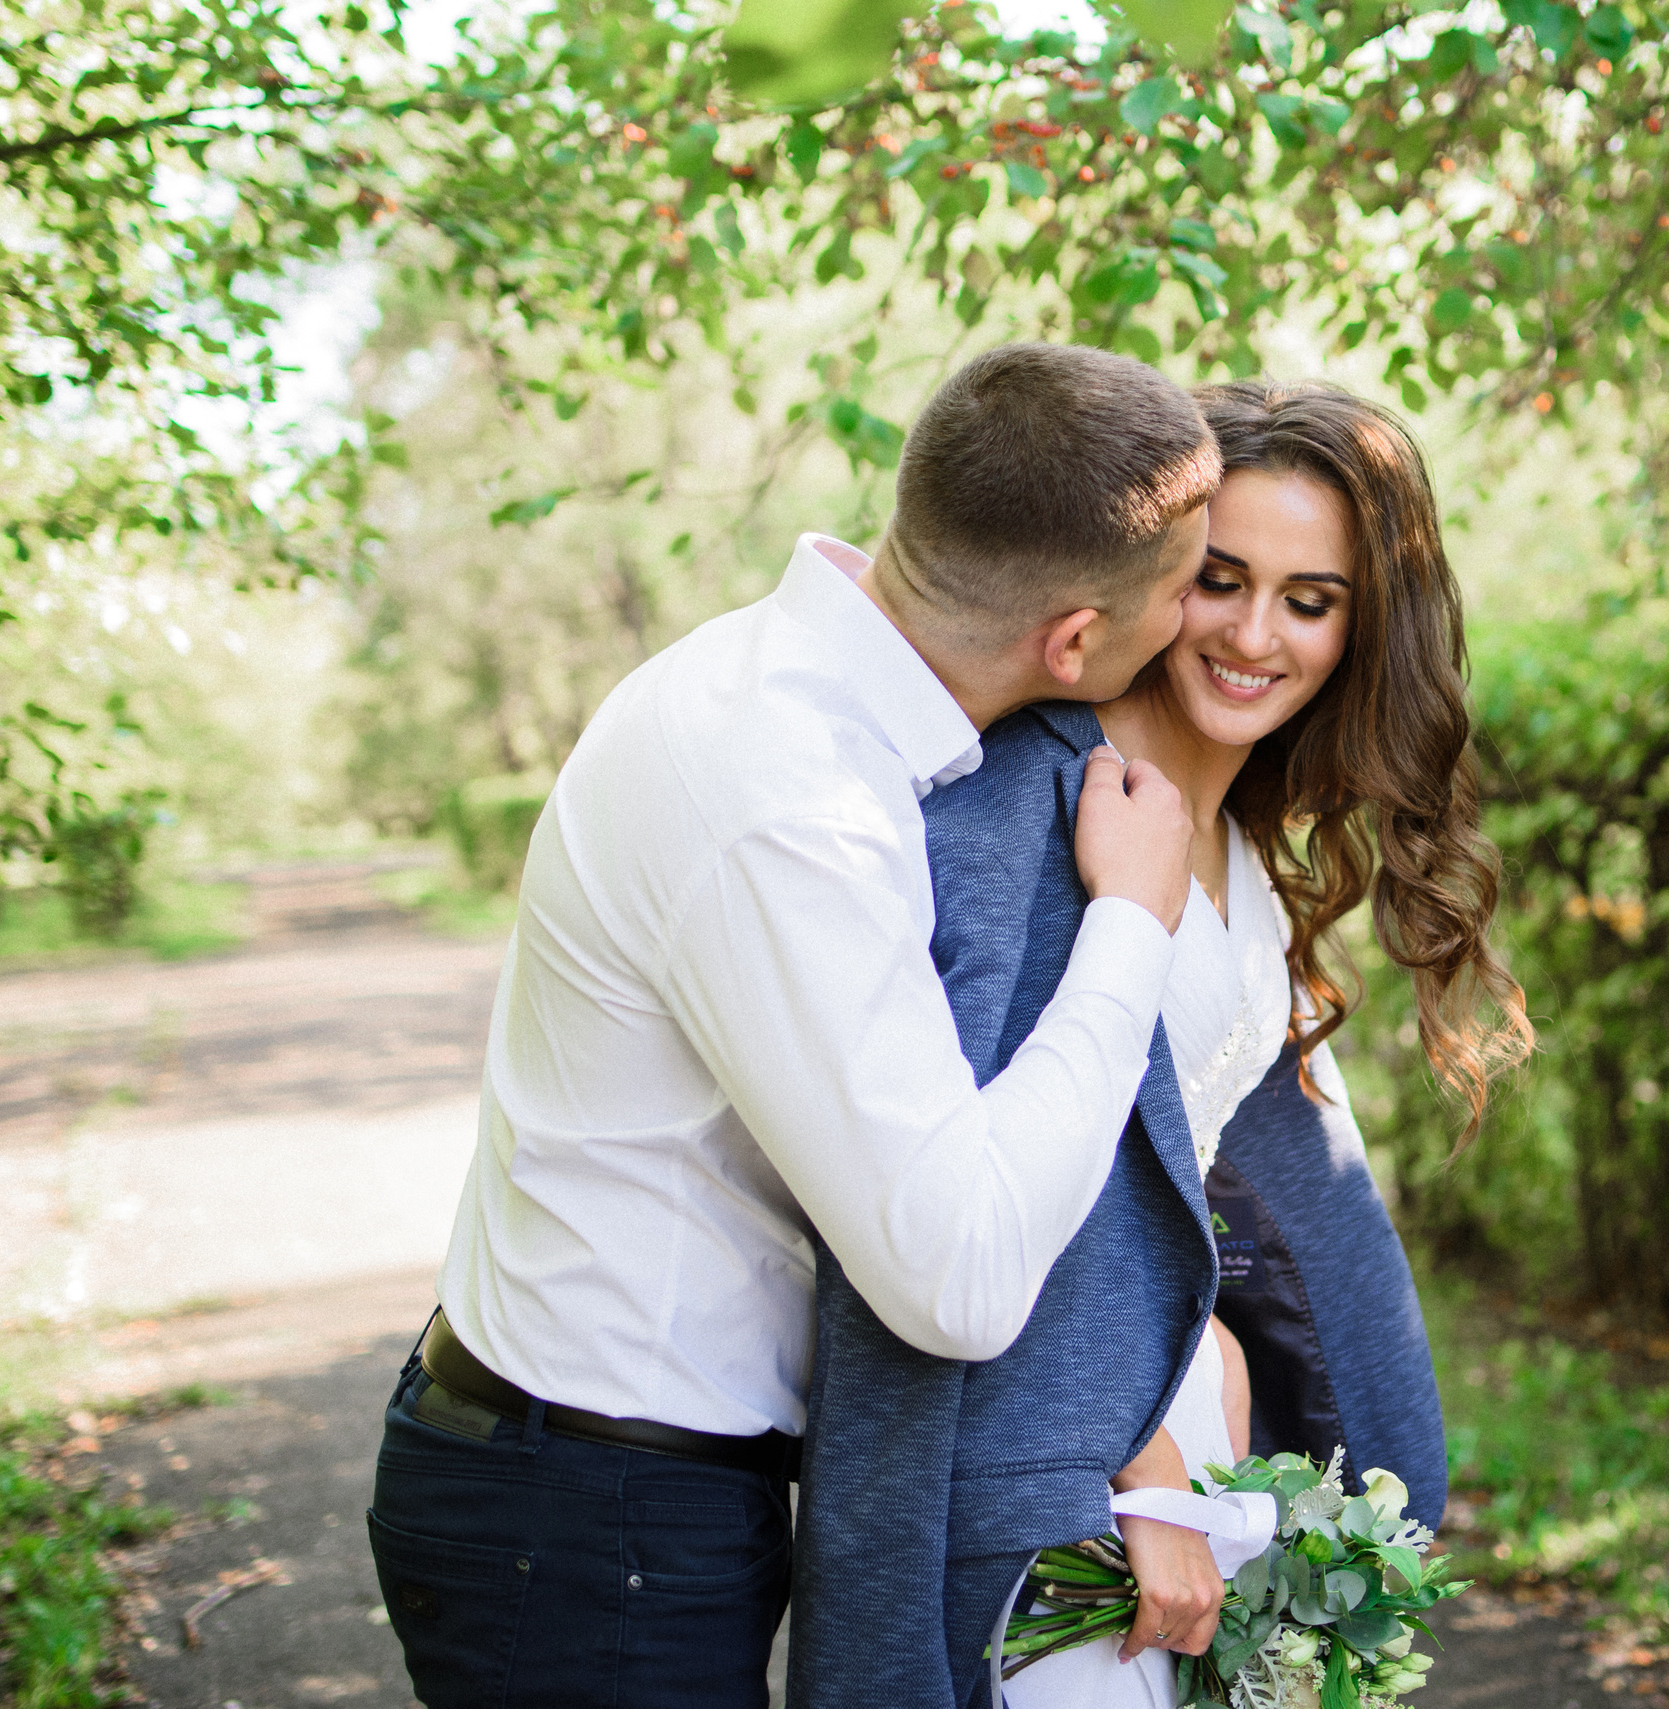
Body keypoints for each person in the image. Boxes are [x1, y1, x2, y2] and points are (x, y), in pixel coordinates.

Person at [365, 343, 1228, 1709]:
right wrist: (1134, 923)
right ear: (1075, 640)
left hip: (606, 1485)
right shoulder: (788, 796)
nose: (1201, 627)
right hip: (591, 1524)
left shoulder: (794, 700)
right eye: (1192, 586)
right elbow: (955, 1273)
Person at [786, 380, 1535, 1709]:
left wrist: (1245, 1411)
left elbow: (1226, 1196)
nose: (1256, 635)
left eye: (1311, 600)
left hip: (1193, 1452)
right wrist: (1145, 1473)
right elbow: (977, 1184)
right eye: (1219, 580)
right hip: (1067, 1471)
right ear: (1150, 579)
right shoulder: (1036, 802)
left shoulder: (1244, 843)